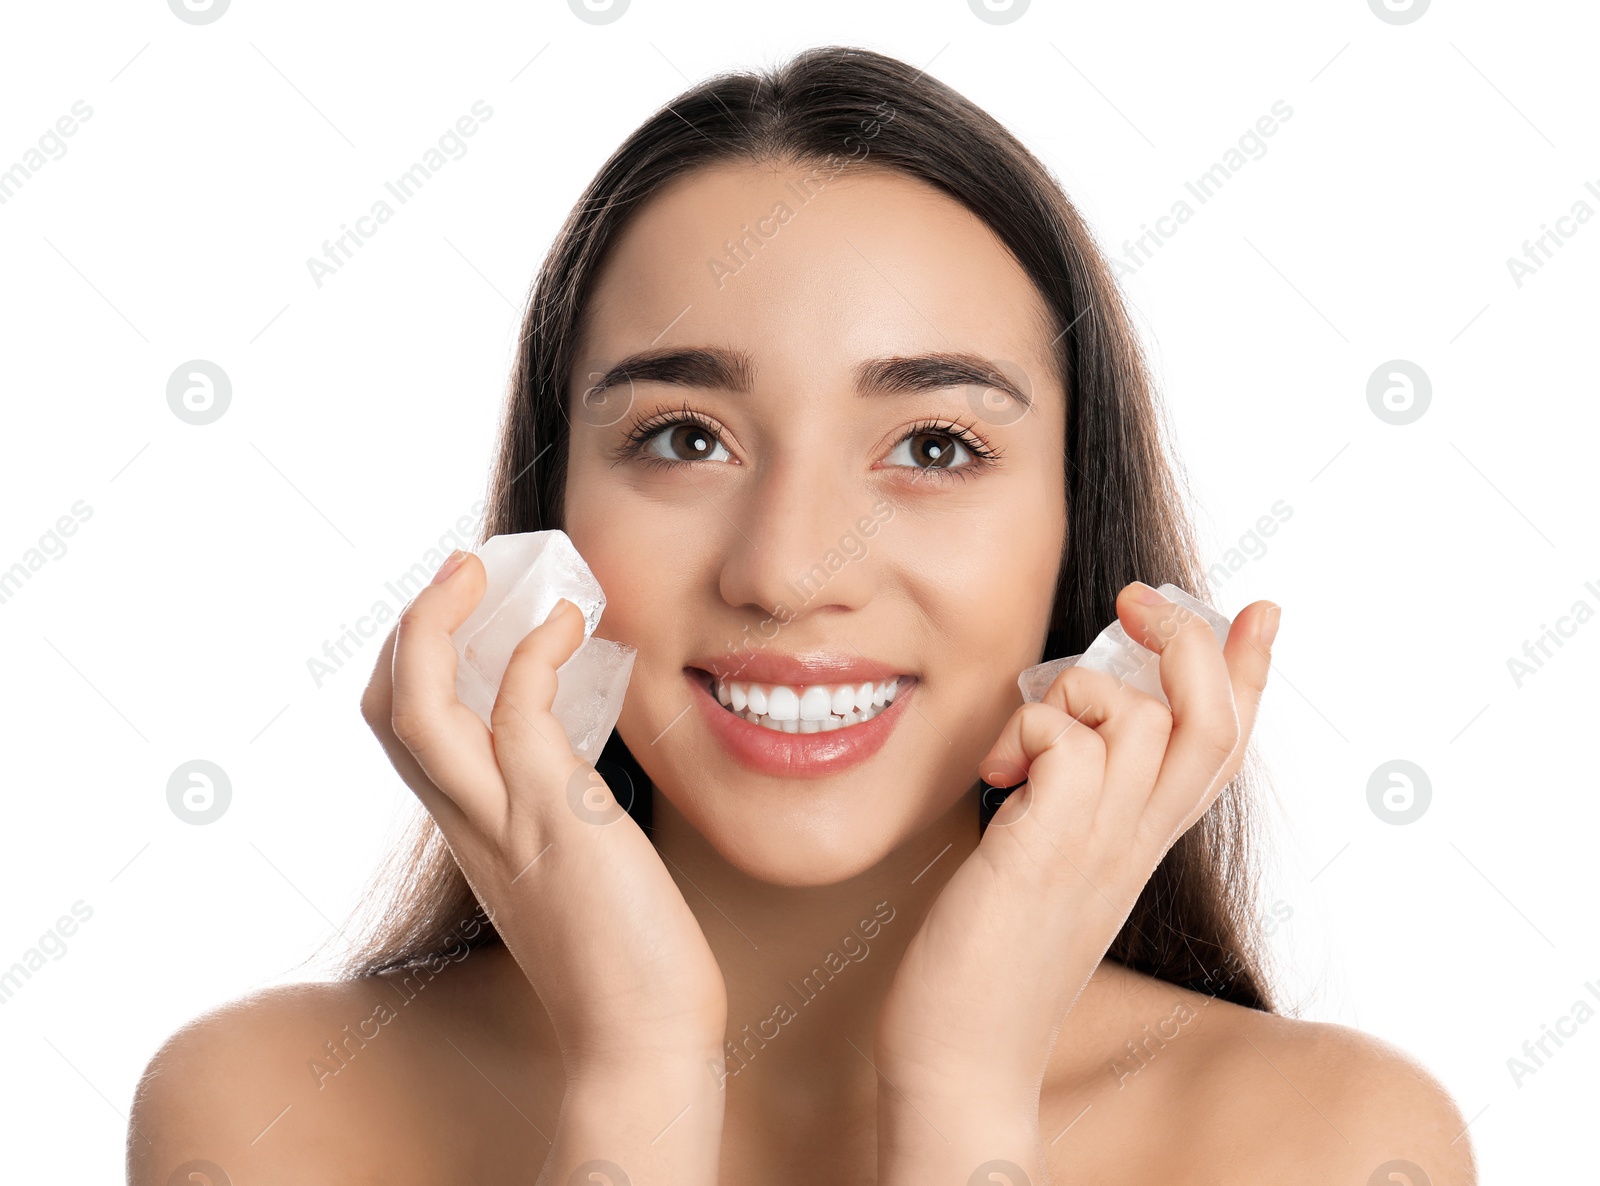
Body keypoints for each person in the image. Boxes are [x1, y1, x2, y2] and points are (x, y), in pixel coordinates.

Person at [128, 45, 1475, 1185]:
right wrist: (639, 1070)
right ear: (549, 529)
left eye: (935, 447)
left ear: (1080, 527)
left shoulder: (1329, 1144)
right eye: (684, 439)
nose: (787, 570)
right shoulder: (267, 1119)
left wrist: (960, 1091)